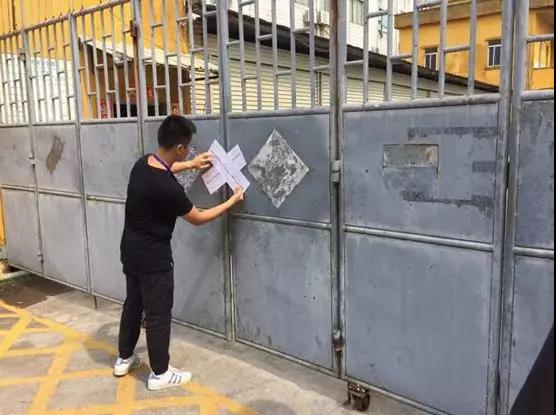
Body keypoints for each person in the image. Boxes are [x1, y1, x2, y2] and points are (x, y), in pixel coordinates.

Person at [114, 115, 244, 391]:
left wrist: (192, 165)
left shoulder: (142, 164)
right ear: (180, 148)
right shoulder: (169, 188)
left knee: (133, 304)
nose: (189, 152)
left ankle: (124, 358)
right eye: (188, 149)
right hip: (154, 259)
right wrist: (231, 202)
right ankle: (160, 373)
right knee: (158, 314)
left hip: (131, 251)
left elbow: (167, 167)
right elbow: (197, 217)